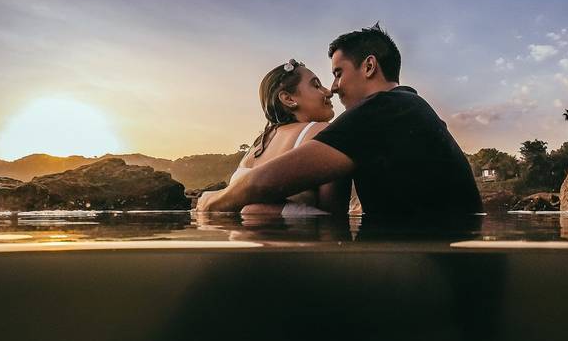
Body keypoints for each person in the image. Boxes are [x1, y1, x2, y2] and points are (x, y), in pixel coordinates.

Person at [198, 24, 482, 219]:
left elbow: (264, 182)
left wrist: (216, 201)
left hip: (437, 271)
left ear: (369, 66)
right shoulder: (404, 106)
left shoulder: (387, 109)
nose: (333, 88)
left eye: (338, 73)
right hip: (442, 260)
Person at [211, 59, 351, 216]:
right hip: (292, 237)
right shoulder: (321, 131)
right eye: (316, 85)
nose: (328, 92)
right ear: (289, 99)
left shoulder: (258, 144)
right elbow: (335, 216)